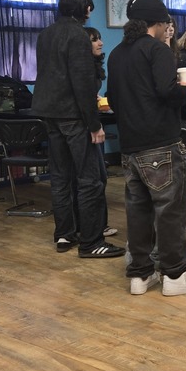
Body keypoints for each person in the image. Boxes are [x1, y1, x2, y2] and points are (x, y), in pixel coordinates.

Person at [106, 0, 186, 296]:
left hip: (129, 146)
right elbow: (167, 93)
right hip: (160, 143)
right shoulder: (158, 50)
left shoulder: (117, 53)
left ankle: (140, 275)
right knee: (170, 211)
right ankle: (176, 275)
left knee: (138, 211)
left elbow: (113, 99)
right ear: (160, 22)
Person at [31, 0, 121, 258]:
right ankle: (92, 242)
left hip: (48, 113)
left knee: (59, 178)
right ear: (83, 9)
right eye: (89, 8)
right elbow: (82, 82)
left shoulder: (45, 34)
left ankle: (64, 234)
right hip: (73, 116)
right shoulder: (78, 36)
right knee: (89, 179)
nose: (89, 13)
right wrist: (94, 124)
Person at [84, 26, 118, 238]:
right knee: (95, 177)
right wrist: (95, 125)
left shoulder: (94, 67)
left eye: (100, 39)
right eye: (94, 40)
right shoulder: (82, 68)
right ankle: (95, 228)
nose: (100, 43)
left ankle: (98, 225)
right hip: (86, 127)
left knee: (99, 176)